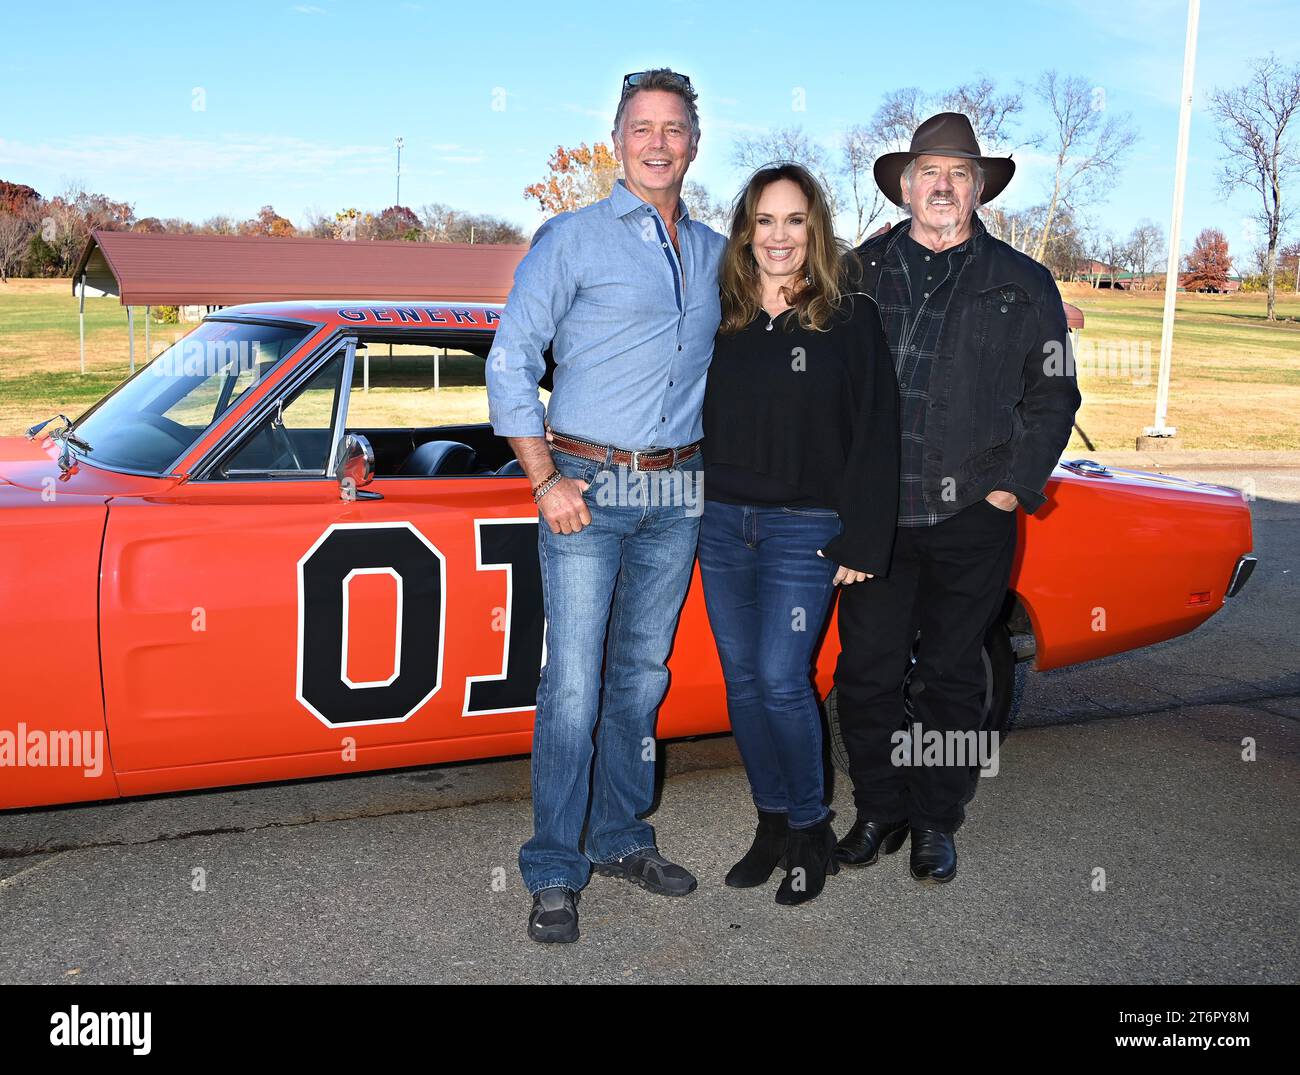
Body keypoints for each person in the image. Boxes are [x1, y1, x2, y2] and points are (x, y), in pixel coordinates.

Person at [486, 69, 726, 944]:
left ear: (693, 144)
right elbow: (510, 361)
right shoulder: (571, 240)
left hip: (678, 486)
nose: (657, 142)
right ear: (616, 139)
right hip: (585, 482)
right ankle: (554, 865)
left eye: (674, 129)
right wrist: (545, 478)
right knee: (575, 685)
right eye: (641, 128)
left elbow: (793, 310)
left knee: (641, 679)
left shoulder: (714, 253)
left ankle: (622, 837)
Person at [832, 112, 1082, 884]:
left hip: (973, 513)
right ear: (905, 187)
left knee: (951, 675)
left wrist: (1011, 488)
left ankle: (938, 817)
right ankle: (879, 807)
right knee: (865, 674)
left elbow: (1054, 392)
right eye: (929, 174)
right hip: (876, 519)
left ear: (978, 190)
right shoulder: (854, 273)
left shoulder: (1024, 281)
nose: (942, 187)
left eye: (959, 175)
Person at [697, 163, 899, 906]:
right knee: (743, 683)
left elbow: (878, 434)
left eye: (793, 220)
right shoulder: (718, 311)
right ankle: (772, 822)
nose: (778, 236)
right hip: (721, 523)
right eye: (764, 220)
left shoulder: (849, 317)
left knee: (783, 678)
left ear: (814, 228)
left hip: (805, 529)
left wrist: (862, 539)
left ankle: (813, 827)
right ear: (745, 228)